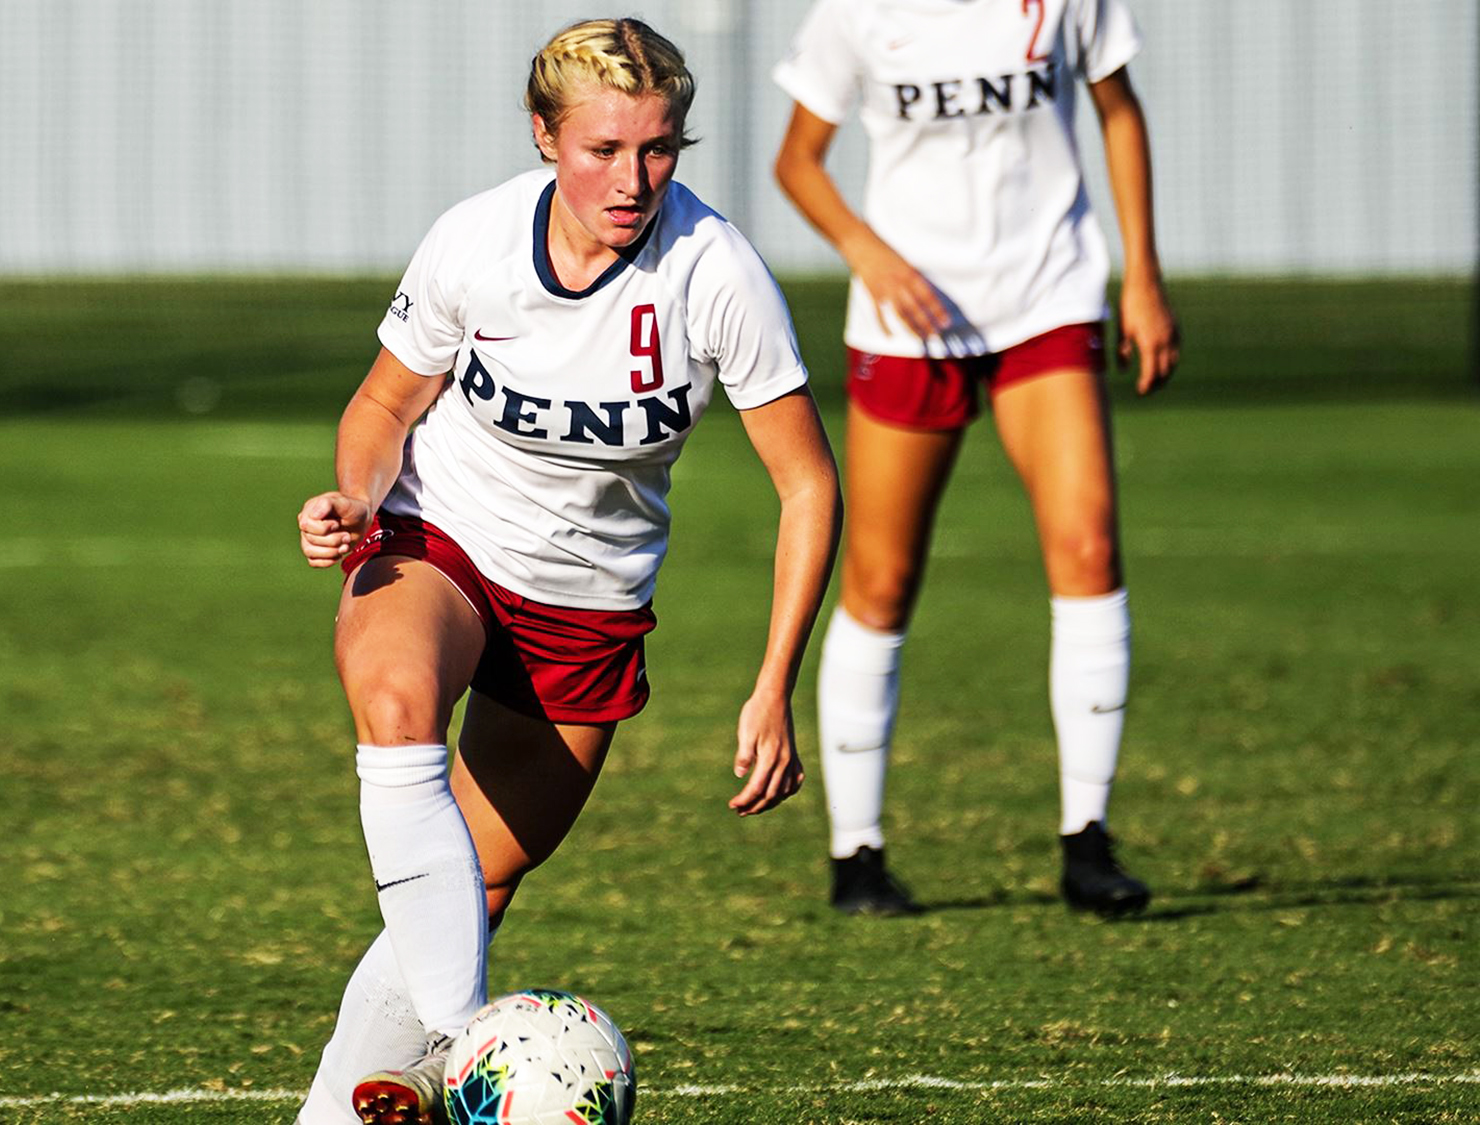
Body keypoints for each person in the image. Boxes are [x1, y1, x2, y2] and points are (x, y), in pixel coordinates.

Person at [293, 18, 841, 1124]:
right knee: (394, 702)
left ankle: (344, 1106)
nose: (632, 178)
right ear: (544, 137)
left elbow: (808, 487)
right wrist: (357, 494)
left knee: (478, 886)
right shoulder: (474, 240)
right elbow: (385, 402)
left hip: (584, 604)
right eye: (602, 149)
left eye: (657, 148)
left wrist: (775, 684)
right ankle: (465, 1049)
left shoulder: (713, 269)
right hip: (437, 541)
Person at [770, 0, 1179, 918]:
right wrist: (867, 252)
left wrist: (1142, 273)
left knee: (1089, 553)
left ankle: (1088, 842)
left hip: (1048, 298)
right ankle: (858, 855)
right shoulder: (855, 13)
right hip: (910, 321)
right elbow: (797, 160)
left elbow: (1119, 109)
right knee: (879, 583)